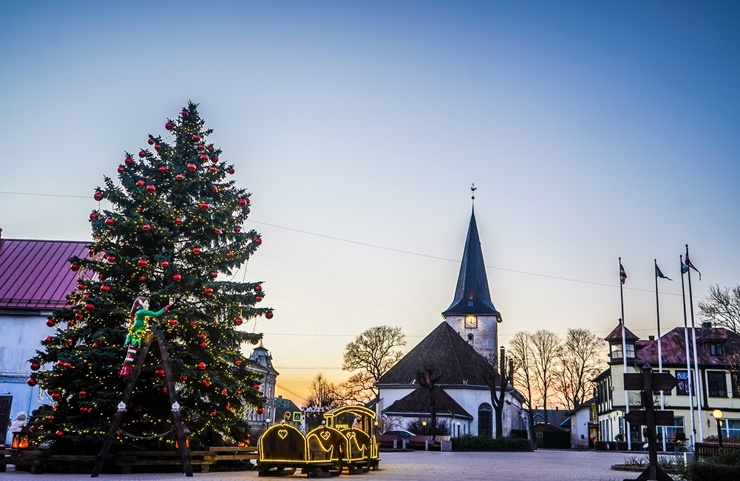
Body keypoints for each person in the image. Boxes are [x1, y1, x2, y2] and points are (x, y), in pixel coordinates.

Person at [118, 297, 171, 377]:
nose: (148, 305)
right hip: (137, 334)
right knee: (132, 351)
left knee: (131, 351)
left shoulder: (140, 313)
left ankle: (125, 368)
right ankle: (126, 369)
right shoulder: (141, 312)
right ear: (140, 303)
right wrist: (165, 308)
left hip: (138, 333)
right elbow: (155, 314)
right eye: (146, 303)